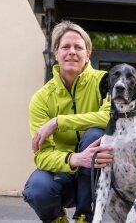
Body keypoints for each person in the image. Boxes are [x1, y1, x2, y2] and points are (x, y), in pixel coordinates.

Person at [22, 21, 113, 223]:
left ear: (87, 54)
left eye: (78, 47)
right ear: (56, 53)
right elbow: (41, 155)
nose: (72, 52)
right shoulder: (42, 98)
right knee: (37, 188)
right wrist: (74, 159)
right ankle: (58, 219)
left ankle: (83, 217)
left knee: (94, 134)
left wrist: (59, 122)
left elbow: (110, 116)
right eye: (65, 47)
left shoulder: (105, 81)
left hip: (97, 177)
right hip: (63, 175)